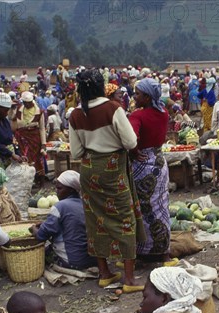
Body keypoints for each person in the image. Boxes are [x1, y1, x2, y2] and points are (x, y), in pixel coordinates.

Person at [68, 68, 144, 292]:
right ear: (102, 86)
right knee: (124, 218)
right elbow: (130, 142)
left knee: (95, 219)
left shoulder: (75, 114)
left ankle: (104, 273)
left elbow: (75, 152)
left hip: (89, 171)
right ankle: (129, 280)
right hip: (113, 170)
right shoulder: (113, 108)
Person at [128, 78, 176, 266]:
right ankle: (164, 253)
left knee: (141, 207)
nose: (134, 97)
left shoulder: (137, 116)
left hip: (142, 164)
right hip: (159, 161)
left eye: (138, 94)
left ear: (147, 97)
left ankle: (141, 251)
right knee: (161, 206)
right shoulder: (163, 113)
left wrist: (133, 153)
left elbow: (131, 140)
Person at [30, 170, 97, 270]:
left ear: (71, 190)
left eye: (59, 188)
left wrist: (34, 229)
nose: (56, 192)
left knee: (46, 250)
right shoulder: (86, 204)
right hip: (92, 260)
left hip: (72, 261)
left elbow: (41, 236)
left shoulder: (60, 206)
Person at [13, 91, 47, 185]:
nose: (28, 104)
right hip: (22, 138)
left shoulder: (39, 111)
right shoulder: (19, 110)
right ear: (23, 102)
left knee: (37, 159)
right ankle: (28, 181)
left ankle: (40, 179)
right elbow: (14, 123)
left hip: (35, 138)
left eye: (29, 102)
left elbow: (42, 129)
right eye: (25, 103)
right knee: (25, 158)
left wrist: (43, 144)